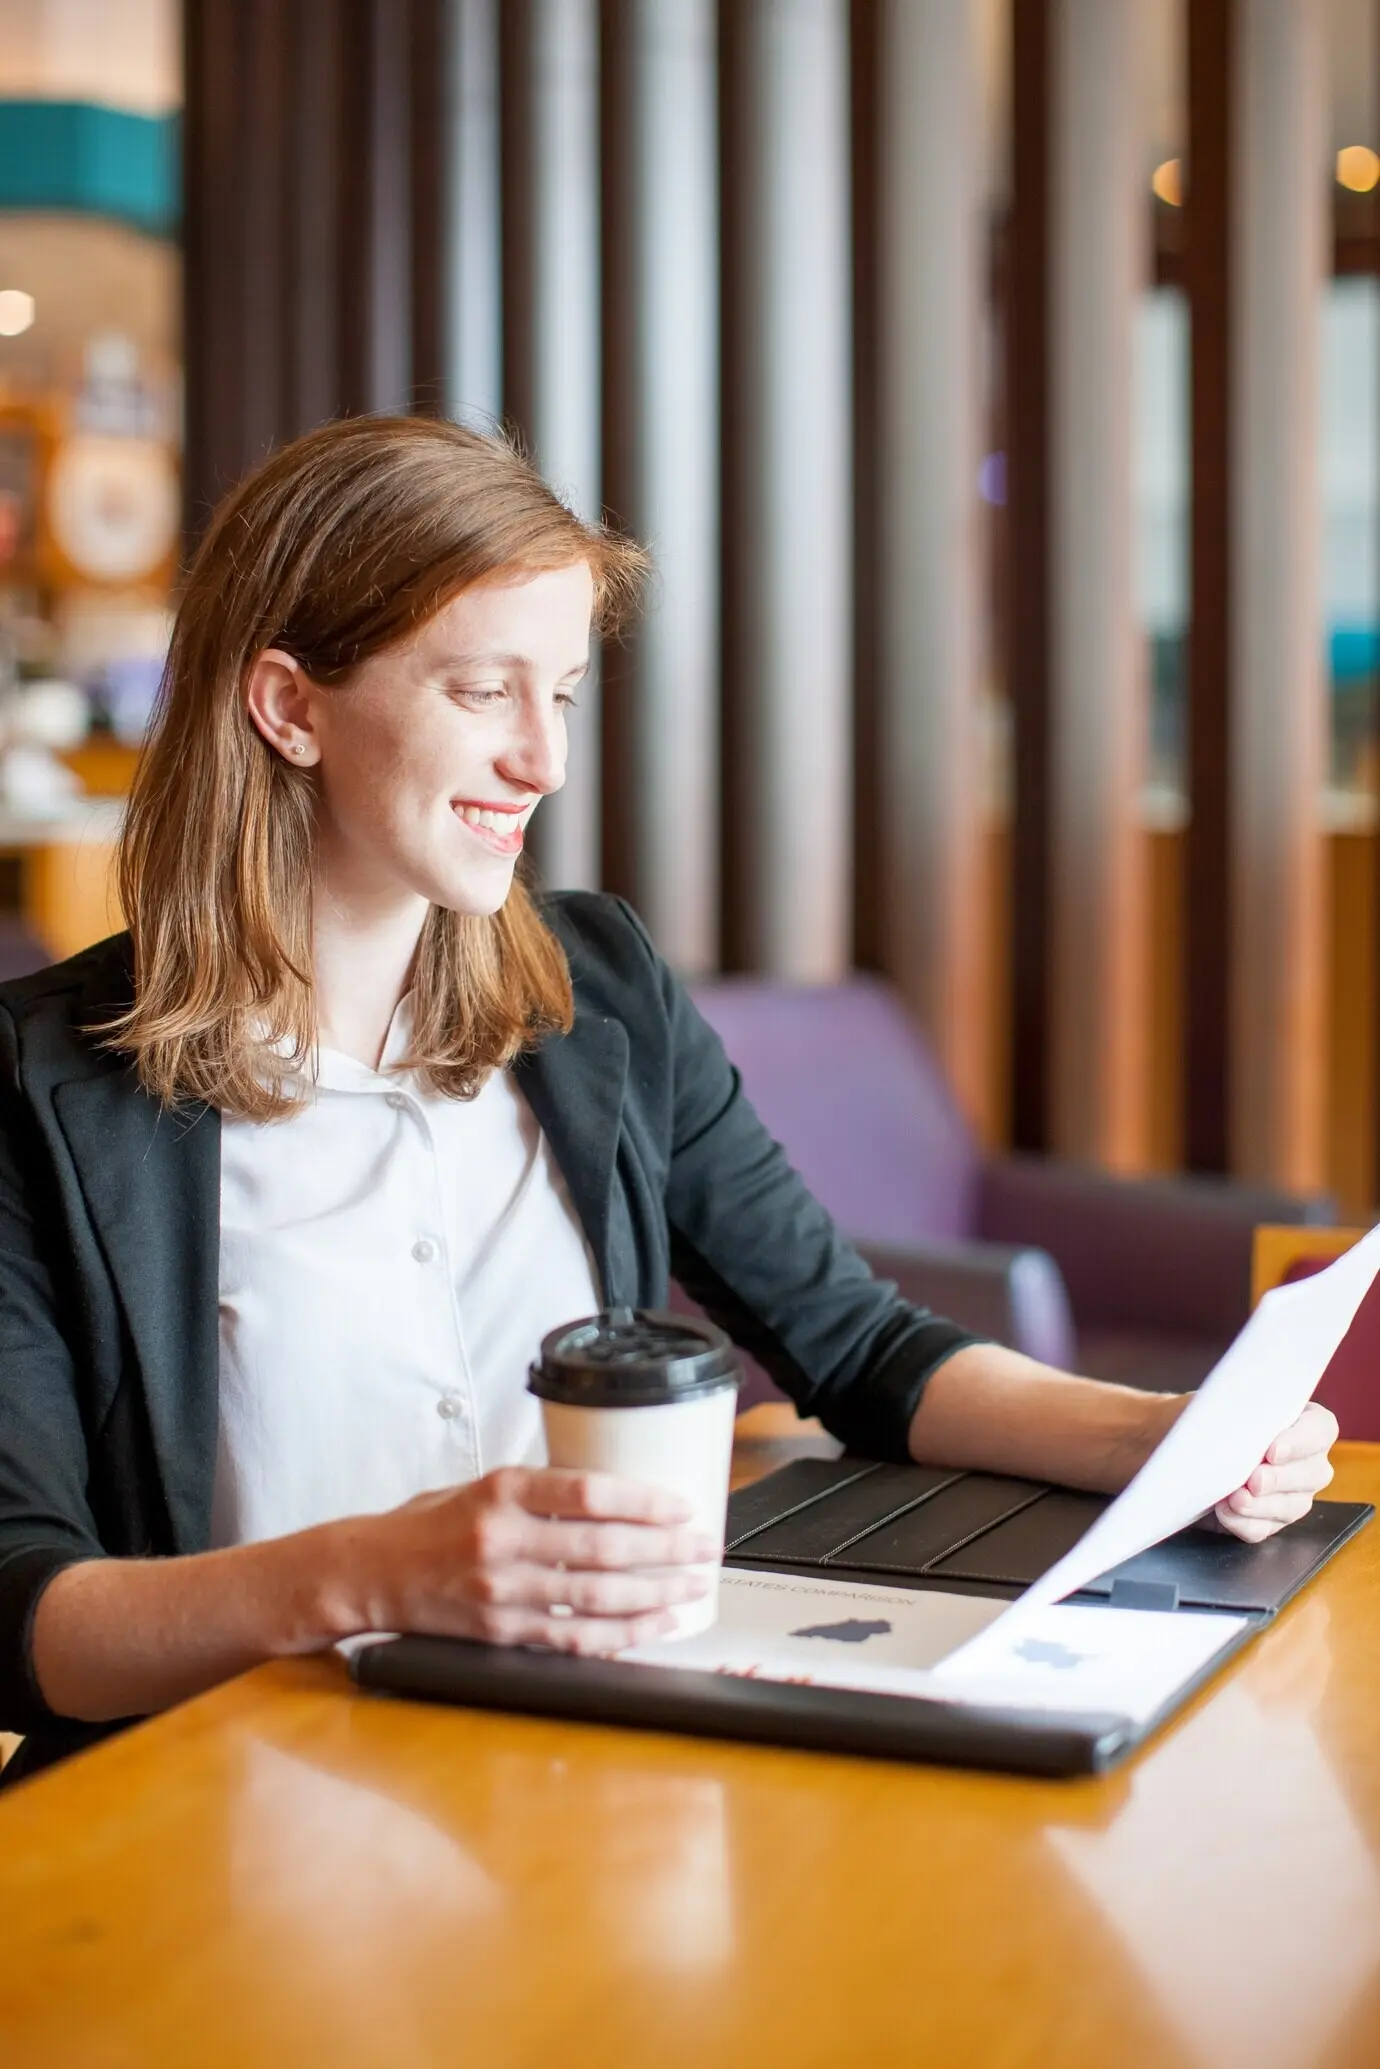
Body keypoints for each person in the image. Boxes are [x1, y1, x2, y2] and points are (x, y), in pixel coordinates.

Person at [0, 417, 1336, 1783]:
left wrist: (1163, 1439)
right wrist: (369, 1572)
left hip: (579, 1775)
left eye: (563, 695)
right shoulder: (38, 1080)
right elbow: (25, 1614)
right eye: (485, 692)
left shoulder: (605, 993)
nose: (544, 762)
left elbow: (858, 1346)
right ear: (289, 707)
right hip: (220, 1811)